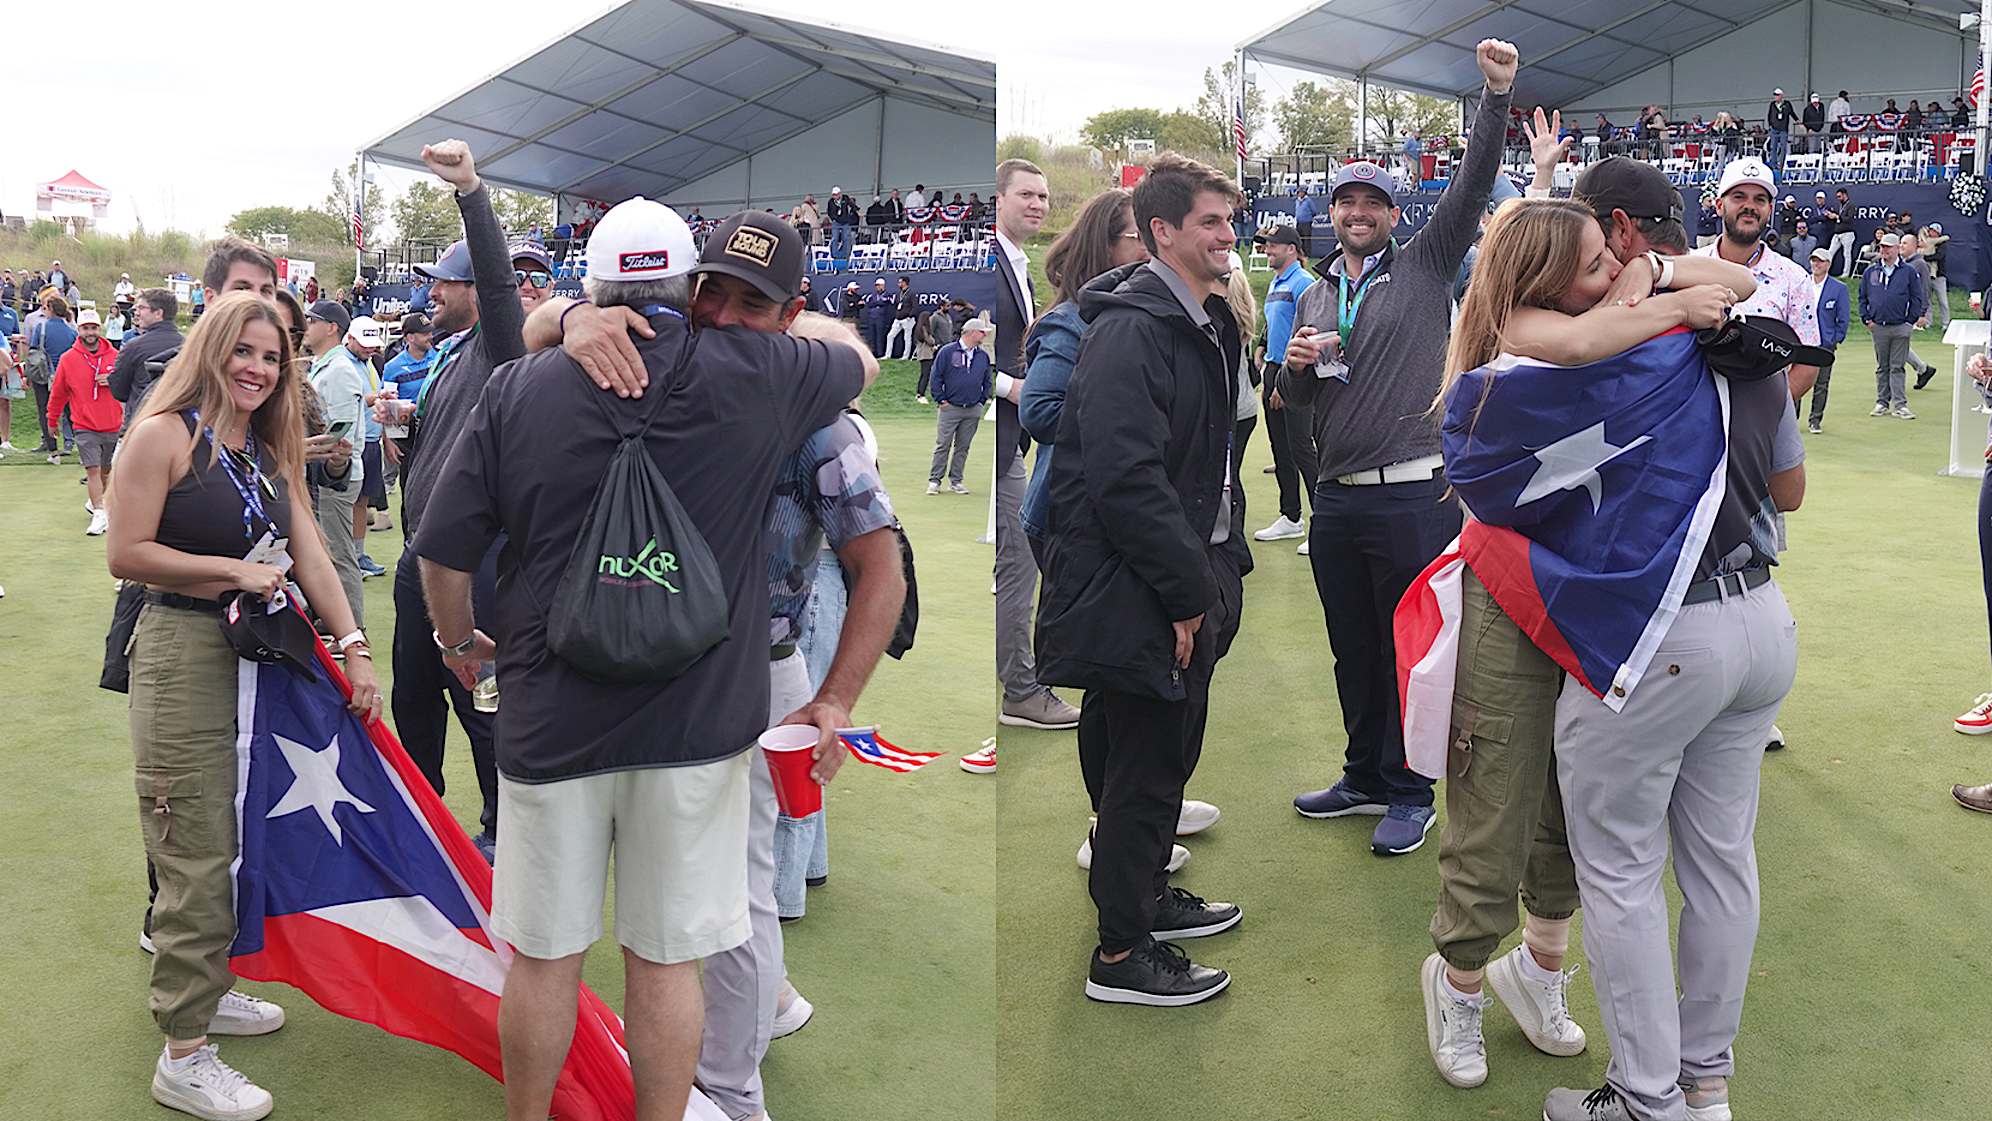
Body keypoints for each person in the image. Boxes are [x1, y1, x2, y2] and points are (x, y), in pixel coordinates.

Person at [410, 195, 872, 1121]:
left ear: (594, 285)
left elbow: (443, 551)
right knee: (666, 962)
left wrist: (458, 642)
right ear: (689, 286)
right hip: (697, 723)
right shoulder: (759, 370)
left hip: (550, 715)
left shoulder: (518, 387)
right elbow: (856, 359)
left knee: (544, 959)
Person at [1418, 197, 1756, 1097]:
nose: (1614, 269)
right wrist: (1667, 303)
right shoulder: (1520, 326)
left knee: (1568, 806)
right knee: (1496, 792)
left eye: (1612, 255)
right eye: (1596, 262)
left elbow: (1741, 279)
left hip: (1589, 594)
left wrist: (1654, 271)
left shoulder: (1615, 300)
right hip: (1510, 588)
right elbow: (1575, 346)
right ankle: (1457, 980)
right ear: (1540, 279)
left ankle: (1539, 968)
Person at [108, 292, 379, 1121]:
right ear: (212, 349)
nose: (257, 369)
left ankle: (209, 989)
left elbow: (314, 554)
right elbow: (126, 552)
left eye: (272, 356)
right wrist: (233, 571)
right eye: (244, 351)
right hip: (181, 650)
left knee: (236, 832)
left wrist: (355, 646)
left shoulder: (264, 447)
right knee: (192, 841)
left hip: (257, 656)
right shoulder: (163, 433)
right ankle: (183, 1054)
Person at [1282, 39, 1520, 856]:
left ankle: (1411, 790)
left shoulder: (1424, 264)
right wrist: (1294, 367)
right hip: (1337, 496)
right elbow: (1299, 400)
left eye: (1372, 203)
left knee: (1409, 650)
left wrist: (1495, 95)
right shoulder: (1316, 292)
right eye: (1346, 202)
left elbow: (1474, 183)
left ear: (1392, 214)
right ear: (1333, 213)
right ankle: (1363, 775)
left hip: (1414, 492)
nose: (1358, 214)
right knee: (1352, 646)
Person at [1033, 153, 1251, 1008]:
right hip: (1146, 587)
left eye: (1229, 219)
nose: (1228, 235)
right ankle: (1122, 953)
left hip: (1180, 574)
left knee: (1160, 756)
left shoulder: (1200, 317)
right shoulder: (1133, 329)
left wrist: (1217, 571)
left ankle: (1146, 897)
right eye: (1210, 221)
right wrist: (1186, 594)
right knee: (1144, 769)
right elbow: (1126, 479)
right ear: (1162, 231)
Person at [369, 140, 521, 857]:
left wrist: (470, 193)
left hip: (475, 560)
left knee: (478, 698)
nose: (431, 293)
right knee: (413, 694)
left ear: (475, 290)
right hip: (421, 554)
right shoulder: (454, 351)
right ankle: (423, 821)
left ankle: (499, 833)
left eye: (444, 283)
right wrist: (407, 420)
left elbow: (500, 284)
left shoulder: (500, 340)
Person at [989, 156, 1081, 742]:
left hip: (1010, 440)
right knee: (1018, 566)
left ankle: (1022, 683)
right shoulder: (992, 263)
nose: (1038, 204)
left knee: (1014, 565)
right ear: (997, 198)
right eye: (1026, 194)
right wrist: (1013, 386)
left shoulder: (1019, 265)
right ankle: (1021, 690)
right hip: (1001, 438)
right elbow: (968, 355)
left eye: (1044, 196)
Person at [300, 299, 371, 624]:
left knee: (340, 555)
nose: (306, 325)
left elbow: (342, 434)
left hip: (335, 475)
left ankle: (353, 628)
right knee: (329, 553)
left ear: (331, 328)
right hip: (324, 472)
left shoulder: (339, 369)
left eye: (311, 320)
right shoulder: (325, 364)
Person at [1250, 224, 1317, 549]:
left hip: (1295, 372)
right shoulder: (1278, 281)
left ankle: (1323, 520)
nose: (1267, 250)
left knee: (1301, 447)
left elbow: (1307, 330)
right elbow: (1275, 321)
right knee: (1281, 447)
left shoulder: (1303, 282)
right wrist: (1263, 346)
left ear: (1291, 249)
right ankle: (1291, 517)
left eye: (1273, 245)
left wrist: (1286, 380)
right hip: (1274, 368)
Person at [47, 309, 122, 534]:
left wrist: (113, 380)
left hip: (112, 422)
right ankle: (99, 513)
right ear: (78, 330)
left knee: (106, 470)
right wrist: (52, 419)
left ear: (100, 329)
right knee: (93, 469)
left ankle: (95, 502)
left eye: (94, 328)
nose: (90, 332)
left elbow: (127, 386)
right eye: (86, 328)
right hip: (84, 424)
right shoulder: (68, 359)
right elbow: (58, 393)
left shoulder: (116, 356)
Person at [1862, 231, 1929, 419]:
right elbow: (1863, 297)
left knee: (1897, 366)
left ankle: (1900, 405)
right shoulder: (1871, 271)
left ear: (1897, 249)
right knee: (1882, 366)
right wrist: (1867, 319)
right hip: (1878, 326)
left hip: (1900, 326)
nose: (1884, 250)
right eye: (1882, 247)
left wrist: (1910, 321)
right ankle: (1882, 402)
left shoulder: (1908, 272)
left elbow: (1917, 298)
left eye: (1888, 247)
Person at [926, 317, 992, 495]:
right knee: (943, 445)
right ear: (971, 332)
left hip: (973, 408)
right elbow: (936, 377)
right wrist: (940, 399)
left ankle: (956, 481)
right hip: (950, 408)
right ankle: (935, 481)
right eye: (982, 332)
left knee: (963, 447)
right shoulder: (947, 351)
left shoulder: (982, 355)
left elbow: (987, 380)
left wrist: (982, 400)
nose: (984, 335)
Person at [109, 289, 183, 427]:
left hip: (141, 422)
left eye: (141, 308)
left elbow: (118, 390)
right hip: (179, 425)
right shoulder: (189, 345)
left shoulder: (134, 346)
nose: (136, 313)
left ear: (158, 313)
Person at [1801, 247, 1851, 433]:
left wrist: (1835, 339)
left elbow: (1843, 318)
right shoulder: (1802, 283)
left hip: (1825, 343)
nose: (1816, 264)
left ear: (1828, 264)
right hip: (1802, 342)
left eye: (1820, 261)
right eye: (1814, 260)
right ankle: (1792, 419)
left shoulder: (1838, 288)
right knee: (1797, 381)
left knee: (1821, 384)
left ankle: (1815, 420)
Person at [31, 295, 78, 459]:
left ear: (51, 309)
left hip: (44, 374)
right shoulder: (72, 331)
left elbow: (33, 351)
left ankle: (53, 450)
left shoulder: (41, 328)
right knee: (71, 412)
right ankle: (81, 445)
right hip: (67, 375)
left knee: (45, 410)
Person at [381, 312, 435, 400]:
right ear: (410, 338)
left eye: (430, 332)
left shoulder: (440, 357)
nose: (431, 336)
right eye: (425, 334)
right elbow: (387, 400)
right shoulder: (392, 367)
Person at [919, 295, 956, 403]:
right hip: (939, 347)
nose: (949, 308)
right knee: (934, 371)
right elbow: (930, 332)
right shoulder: (934, 317)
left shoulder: (948, 317)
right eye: (947, 306)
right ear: (941, 306)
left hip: (949, 346)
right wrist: (934, 344)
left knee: (948, 371)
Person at [1922, 222, 1952, 331]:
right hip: (1926, 275)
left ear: (1938, 233)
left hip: (1939, 276)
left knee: (1943, 301)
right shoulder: (1925, 242)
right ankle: (1928, 322)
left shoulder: (1941, 244)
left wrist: (1924, 257)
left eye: (1934, 231)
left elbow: (1939, 256)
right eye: (1930, 230)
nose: (1931, 232)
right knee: (1927, 300)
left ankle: (1945, 323)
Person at [885, 276, 920, 359]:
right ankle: (887, 355)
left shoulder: (911, 293)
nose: (898, 284)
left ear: (904, 283)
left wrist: (910, 316)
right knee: (890, 336)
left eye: (900, 282)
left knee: (907, 338)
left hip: (907, 319)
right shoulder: (899, 294)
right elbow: (896, 305)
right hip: (898, 319)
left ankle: (905, 356)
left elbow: (915, 306)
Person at [860, 277, 893, 356]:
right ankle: (872, 353)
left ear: (883, 285)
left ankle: (880, 353)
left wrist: (877, 303)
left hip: (880, 317)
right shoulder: (873, 295)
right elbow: (869, 304)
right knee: (871, 336)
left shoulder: (888, 294)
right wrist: (878, 303)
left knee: (879, 336)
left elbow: (886, 302)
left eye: (879, 285)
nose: (877, 287)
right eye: (876, 285)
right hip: (872, 317)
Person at [1766, 88, 1796, 171]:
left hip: (1783, 129)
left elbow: (1792, 113)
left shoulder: (1787, 104)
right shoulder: (1772, 105)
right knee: (1773, 147)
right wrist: (1770, 125)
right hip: (1774, 129)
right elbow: (1769, 115)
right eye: (1775, 95)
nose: (1776, 97)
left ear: (1781, 96)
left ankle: (1781, 164)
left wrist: (1798, 121)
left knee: (1783, 147)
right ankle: (1773, 165)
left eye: (1778, 95)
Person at [827, 186, 859, 259]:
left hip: (845, 221)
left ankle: (846, 255)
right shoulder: (831, 202)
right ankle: (835, 255)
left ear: (839, 194)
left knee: (846, 238)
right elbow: (829, 211)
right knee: (835, 238)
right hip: (836, 221)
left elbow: (852, 205)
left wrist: (855, 211)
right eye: (833, 195)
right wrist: (833, 218)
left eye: (836, 194)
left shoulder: (845, 198)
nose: (835, 196)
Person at [1293, 186, 1317, 258]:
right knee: (1300, 239)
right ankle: (1301, 254)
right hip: (1299, 222)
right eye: (1298, 192)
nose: (1299, 194)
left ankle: (1307, 255)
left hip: (1306, 222)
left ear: (1304, 193)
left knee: (1306, 239)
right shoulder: (1297, 201)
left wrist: (1308, 217)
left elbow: (1314, 211)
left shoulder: (1308, 201)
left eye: (1301, 192)